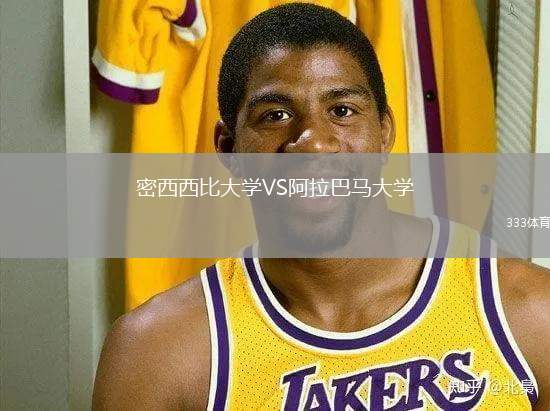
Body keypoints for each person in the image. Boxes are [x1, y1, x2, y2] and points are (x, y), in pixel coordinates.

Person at [92, 4, 550, 410]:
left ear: (385, 132)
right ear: (229, 149)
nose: (313, 141)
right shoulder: (157, 354)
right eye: (275, 115)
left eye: (342, 110)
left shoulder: (527, 313)